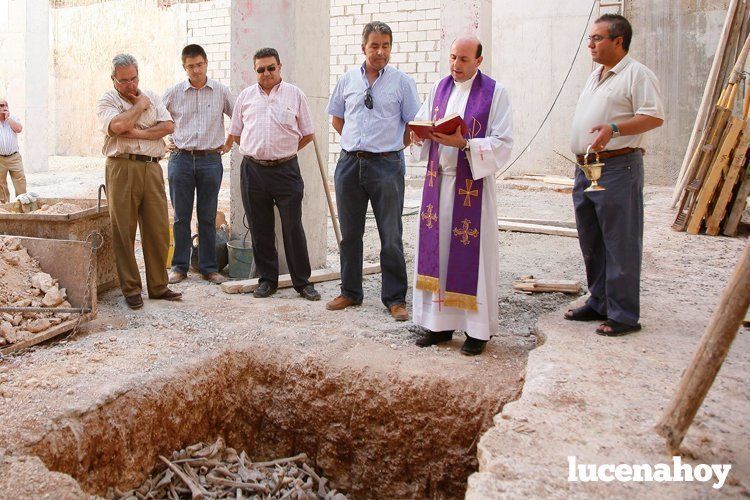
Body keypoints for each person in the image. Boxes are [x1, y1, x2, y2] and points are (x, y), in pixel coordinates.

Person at [410, 37, 513, 356]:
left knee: (473, 257)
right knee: (437, 255)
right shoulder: (439, 88)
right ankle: (438, 325)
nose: (456, 65)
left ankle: (477, 331)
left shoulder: (495, 93)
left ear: (479, 61)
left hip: (472, 190)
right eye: (453, 57)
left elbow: (504, 141)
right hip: (438, 185)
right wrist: (419, 134)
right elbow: (425, 125)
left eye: (464, 60)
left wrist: (465, 145)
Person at [565, 14, 664, 336]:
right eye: (589, 38)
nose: (590, 44)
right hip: (586, 166)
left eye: (597, 38)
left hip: (618, 166)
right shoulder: (596, 76)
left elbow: (653, 116)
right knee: (591, 238)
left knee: (620, 240)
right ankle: (599, 301)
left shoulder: (636, 75)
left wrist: (615, 128)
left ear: (618, 40)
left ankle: (623, 314)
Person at [326, 21, 421, 321]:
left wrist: (391, 148)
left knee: (391, 234)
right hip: (350, 164)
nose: (380, 52)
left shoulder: (402, 83)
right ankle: (350, 292)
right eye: (374, 46)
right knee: (350, 234)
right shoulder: (347, 80)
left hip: (387, 165)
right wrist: (356, 146)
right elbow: (337, 119)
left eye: (386, 46)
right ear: (363, 47)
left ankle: (395, 298)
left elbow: (412, 126)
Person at [227, 47, 320, 301]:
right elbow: (236, 134)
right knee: (260, 227)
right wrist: (257, 153)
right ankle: (267, 280)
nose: (266, 73)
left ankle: (303, 282)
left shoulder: (295, 95)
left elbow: (308, 133)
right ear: (254, 71)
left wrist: (285, 151)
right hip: (253, 171)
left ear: (280, 67)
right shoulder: (245, 97)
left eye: (270, 68)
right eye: (260, 69)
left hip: (286, 170)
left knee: (292, 226)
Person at [96, 53, 183, 310]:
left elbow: (168, 126)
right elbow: (119, 125)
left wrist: (138, 132)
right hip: (122, 167)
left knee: (157, 228)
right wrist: (139, 107)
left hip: (152, 168)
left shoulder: (153, 96)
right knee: (124, 230)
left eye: (133, 79)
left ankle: (158, 286)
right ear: (113, 79)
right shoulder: (108, 99)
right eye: (124, 81)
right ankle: (131, 289)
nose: (130, 85)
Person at [163, 44, 235, 285]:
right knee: (181, 216)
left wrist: (229, 142)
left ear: (206, 63)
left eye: (200, 64)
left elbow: (239, 117)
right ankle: (179, 267)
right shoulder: (174, 93)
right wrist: (165, 141)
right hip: (180, 159)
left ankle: (208, 267)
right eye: (191, 66)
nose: (196, 70)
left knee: (207, 215)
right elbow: (155, 117)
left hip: (210, 160)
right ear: (184, 67)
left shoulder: (220, 91)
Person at [0, 98, 26, 204]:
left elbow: (19, 129)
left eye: (6, 105)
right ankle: (4, 207)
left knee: (20, 182)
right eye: (1, 105)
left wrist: (8, 118)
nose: (4, 108)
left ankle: (22, 204)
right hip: (0, 158)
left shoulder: (13, 118)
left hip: (14, 157)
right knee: (1, 184)